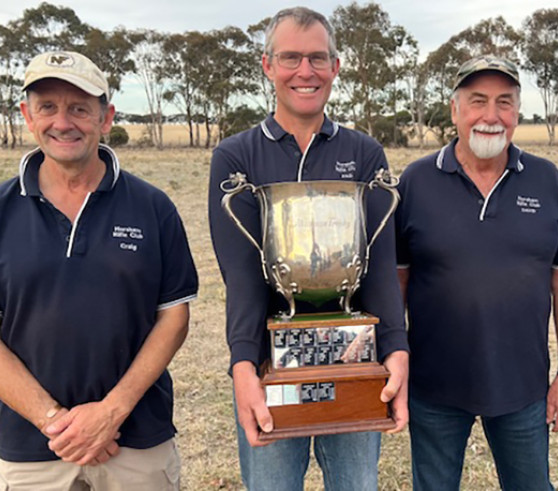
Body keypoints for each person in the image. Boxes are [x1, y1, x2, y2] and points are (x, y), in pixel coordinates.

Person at [208, 7, 409, 490]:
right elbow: (241, 278)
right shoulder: (235, 156)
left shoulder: (364, 153)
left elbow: (379, 266)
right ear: (267, 65)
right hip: (269, 364)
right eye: (291, 58)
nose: (306, 71)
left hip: (355, 359)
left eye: (318, 58)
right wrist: (243, 367)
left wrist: (396, 349)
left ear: (335, 68)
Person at [0, 51, 198, 490]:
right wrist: (55, 422)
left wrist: (111, 412)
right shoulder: (2, 210)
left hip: (138, 441)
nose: (63, 122)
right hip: (33, 450)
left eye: (79, 108)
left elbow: (174, 318)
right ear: (27, 117)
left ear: (106, 117)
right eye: (48, 107)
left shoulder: (153, 207)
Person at [395, 55, 558, 490]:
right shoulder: (416, 181)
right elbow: (397, 280)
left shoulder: (546, 179)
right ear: (455, 109)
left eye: (504, 102)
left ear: (517, 113)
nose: (491, 116)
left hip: (523, 388)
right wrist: (393, 363)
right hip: (433, 388)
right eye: (477, 101)